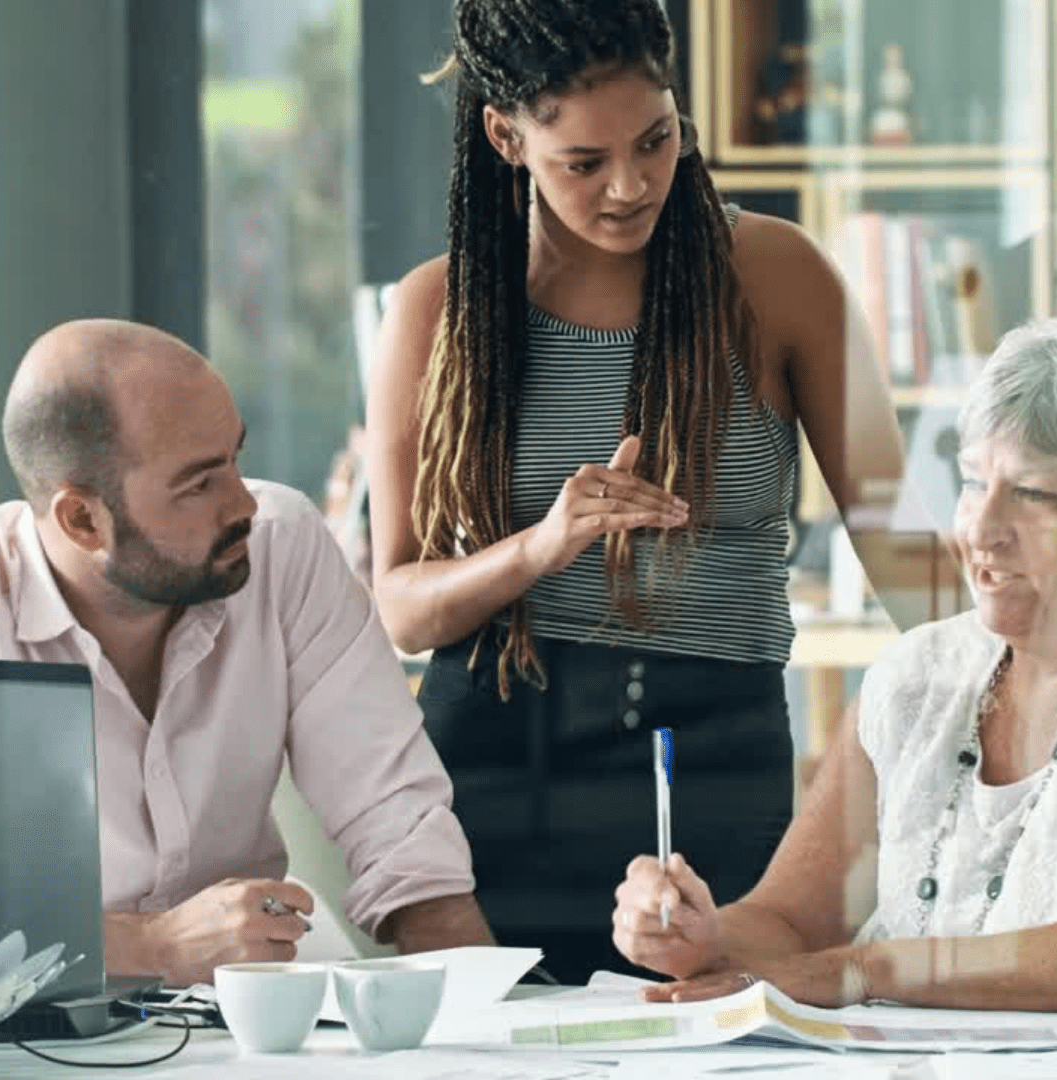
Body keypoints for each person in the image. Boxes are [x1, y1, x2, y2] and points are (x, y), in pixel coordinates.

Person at [365, 0, 909, 983]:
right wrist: (540, 547)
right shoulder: (433, 311)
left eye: (657, 140)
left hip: (717, 764)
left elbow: (910, 563)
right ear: (505, 136)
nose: (632, 184)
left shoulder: (778, 277)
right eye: (584, 161)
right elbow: (399, 606)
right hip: (494, 769)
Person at [611, 318, 1057, 1012]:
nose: (982, 532)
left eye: (1033, 494)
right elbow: (792, 924)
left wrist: (870, 969)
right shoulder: (919, 678)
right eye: (970, 484)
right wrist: (700, 935)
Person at [0, 318, 494, 987]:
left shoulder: (282, 548)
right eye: (198, 484)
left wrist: (488, 1022)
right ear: (82, 519)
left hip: (251, 1026)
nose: (244, 502)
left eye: (235, 460)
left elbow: (394, 818)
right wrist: (153, 945)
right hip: (31, 1037)